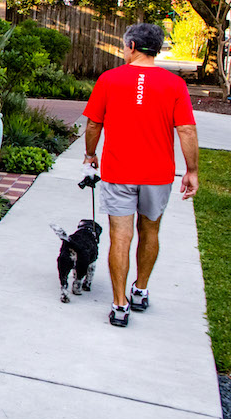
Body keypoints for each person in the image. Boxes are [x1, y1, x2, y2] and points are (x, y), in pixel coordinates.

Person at [82, 22, 199, 328]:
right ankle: (140, 291)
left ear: (131, 46)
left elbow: (94, 124)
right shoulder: (175, 85)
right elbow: (186, 129)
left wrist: (90, 154)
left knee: (120, 236)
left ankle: (119, 306)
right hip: (158, 175)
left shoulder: (110, 79)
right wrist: (192, 170)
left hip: (119, 171)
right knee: (150, 232)